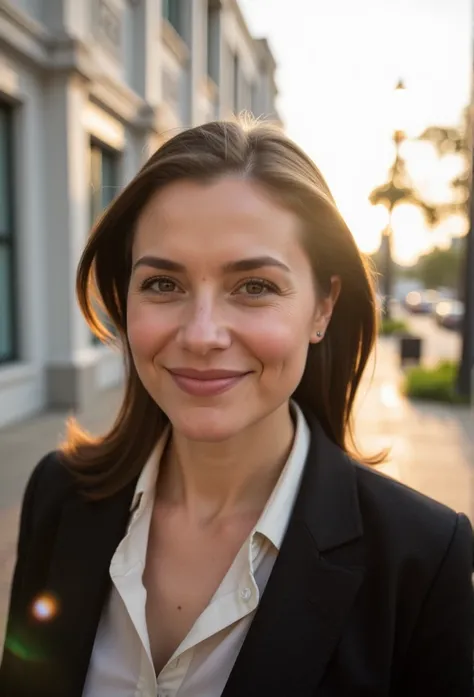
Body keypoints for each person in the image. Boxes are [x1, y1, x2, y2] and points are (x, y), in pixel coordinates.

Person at [0, 118, 472, 697]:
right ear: (126, 302)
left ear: (323, 308)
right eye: (163, 285)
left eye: (254, 287)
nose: (202, 336)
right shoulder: (59, 494)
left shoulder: (421, 558)